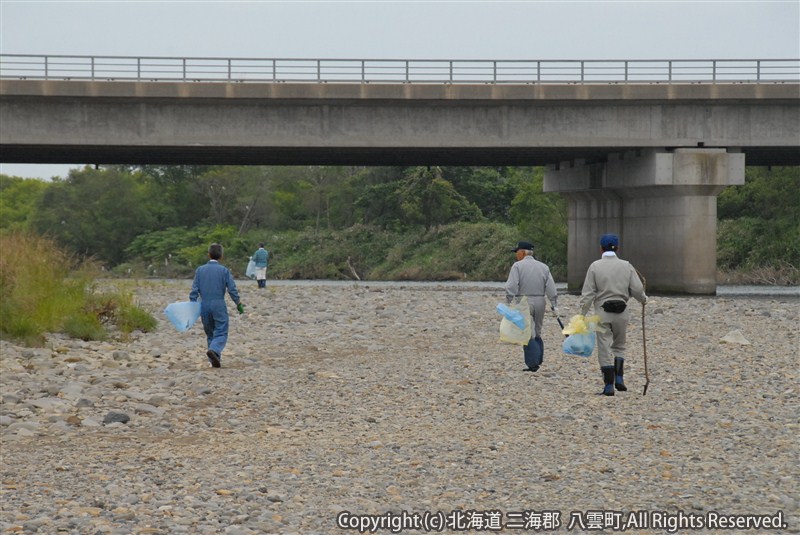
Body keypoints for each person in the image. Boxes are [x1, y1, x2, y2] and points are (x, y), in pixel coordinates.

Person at [578, 234, 647, 396]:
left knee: (604, 346)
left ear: (601, 248)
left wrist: (582, 314)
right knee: (620, 345)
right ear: (618, 248)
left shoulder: (595, 266)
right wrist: (643, 300)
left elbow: (588, 294)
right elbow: (637, 290)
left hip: (602, 312)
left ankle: (609, 385)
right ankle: (620, 378)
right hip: (622, 312)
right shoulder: (627, 266)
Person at [505, 241, 559, 372]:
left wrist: (508, 301)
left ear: (522, 252)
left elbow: (511, 285)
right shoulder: (543, 267)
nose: (516, 255)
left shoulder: (517, 266)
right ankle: (538, 357)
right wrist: (554, 304)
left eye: (517, 252)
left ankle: (533, 363)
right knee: (538, 331)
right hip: (540, 300)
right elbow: (551, 287)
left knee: (528, 333)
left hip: (524, 300)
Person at [190, 243, 244, 368]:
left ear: (208, 254)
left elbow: (194, 290)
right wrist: (238, 303)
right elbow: (232, 289)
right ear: (221, 256)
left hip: (204, 304)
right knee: (221, 331)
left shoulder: (200, 270)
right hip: (219, 304)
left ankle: (214, 359)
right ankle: (214, 350)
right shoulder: (224, 270)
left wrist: (193, 304)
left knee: (210, 333)